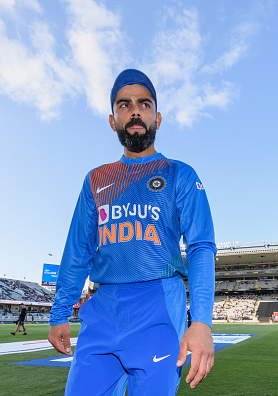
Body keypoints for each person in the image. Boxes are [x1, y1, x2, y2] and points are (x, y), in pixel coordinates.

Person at [48, 69, 217, 395]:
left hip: (159, 314)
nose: (135, 110)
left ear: (158, 117)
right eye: (124, 104)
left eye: (144, 103)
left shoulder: (179, 174)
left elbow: (200, 247)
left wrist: (202, 322)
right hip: (103, 311)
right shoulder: (96, 179)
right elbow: (77, 251)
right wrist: (59, 313)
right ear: (113, 120)